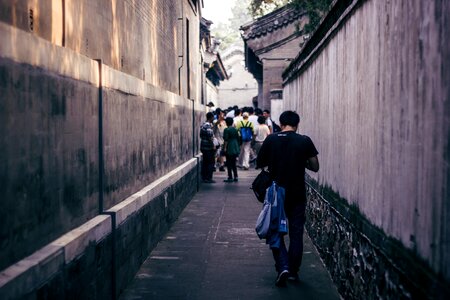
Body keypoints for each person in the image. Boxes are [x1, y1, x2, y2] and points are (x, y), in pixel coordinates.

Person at [256, 110, 319, 287]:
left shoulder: (271, 139)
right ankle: (293, 272)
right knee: (296, 233)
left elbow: (260, 163)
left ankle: (282, 266)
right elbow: (315, 166)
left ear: (281, 123)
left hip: (276, 193)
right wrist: (302, 161)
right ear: (297, 124)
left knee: (275, 230)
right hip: (297, 193)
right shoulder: (304, 141)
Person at [200, 112, 217, 183]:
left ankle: (204, 177)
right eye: (213, 117)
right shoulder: (208, 126)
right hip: (208, 147)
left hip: (203, 146)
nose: (213, 118)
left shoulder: (203, 125)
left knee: (205, 162)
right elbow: (210, 136)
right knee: (210, 162)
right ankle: (209, 178)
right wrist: (213, 145)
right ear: (211, 117)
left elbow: (201, 135)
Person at [222, 117, 240, 182]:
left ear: (226, 122)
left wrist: (224, 148)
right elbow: (238, 138)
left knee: (229, 163)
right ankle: (236, 176)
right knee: (234, 163)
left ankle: (230, 177)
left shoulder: (226, 130)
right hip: (235, 146)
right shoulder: (235, 129)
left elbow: (226, 140)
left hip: (229, 147)